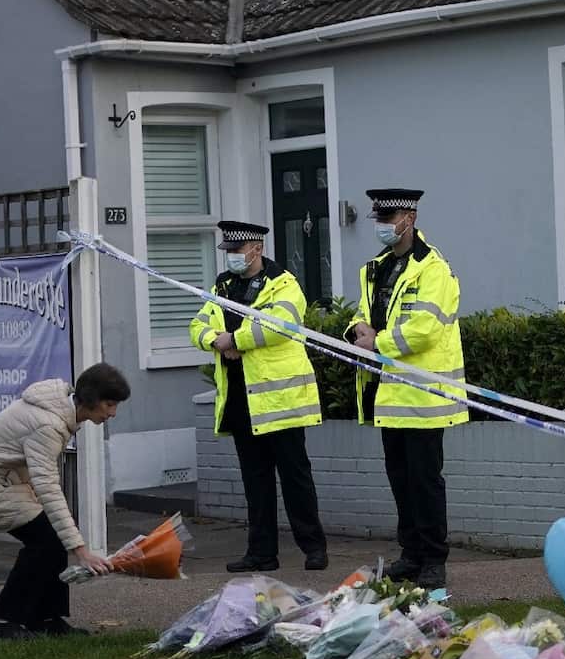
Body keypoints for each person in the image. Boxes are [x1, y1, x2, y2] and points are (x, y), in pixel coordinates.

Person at [0, 362, 130, 640]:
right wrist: (80, 551)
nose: (113, 413)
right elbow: (48, 487)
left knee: (50, 539)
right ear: (91, 400)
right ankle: (0, 622)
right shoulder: (48, 424)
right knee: (46, 541)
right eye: (109, 404)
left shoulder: (58, 411)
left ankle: (45, 619)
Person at [189, 220, 328, 573]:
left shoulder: (283, 284)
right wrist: (215, 340)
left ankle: (314, 549)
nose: (232, 257)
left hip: (280, 402)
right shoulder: (223, 284)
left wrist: (234, 340)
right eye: (229, 252)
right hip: (241, 400)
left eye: (237, 251)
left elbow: (280, 325)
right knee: (256, 483)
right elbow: (198, 325)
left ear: (257, 249)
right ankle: (261, 553)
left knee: (296, 478)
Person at [346, 189, 467, 589]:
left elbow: (425, 328)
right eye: (378, 218)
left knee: (425, 481)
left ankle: (434, 559)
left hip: (423, 395)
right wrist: (355, 330)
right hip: (389, 393)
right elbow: (363, 313)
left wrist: (375, 341)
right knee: (399, 478)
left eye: (389, 218)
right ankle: (411, 553)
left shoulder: (434, 269)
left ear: (409, 218)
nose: (382, 226)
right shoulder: (377, 268)